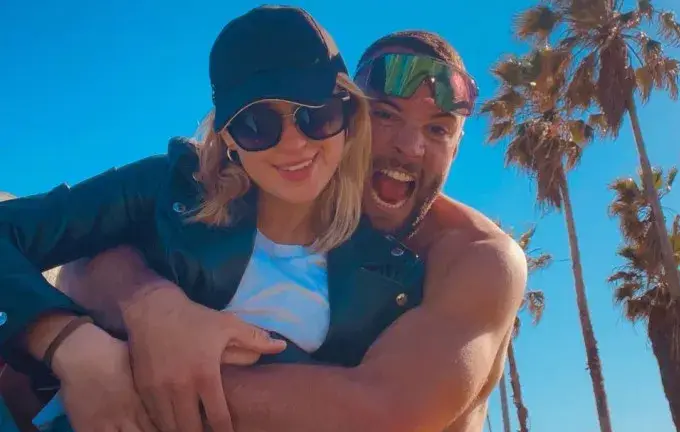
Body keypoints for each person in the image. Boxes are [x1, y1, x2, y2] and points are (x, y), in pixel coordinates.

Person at [47, 31, 529, 431]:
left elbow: (386, 415)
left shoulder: (477, 257)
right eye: (385, 114)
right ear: (349, 119)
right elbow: (85, 262)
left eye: (438, 129)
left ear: (457, 147)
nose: (410, 146)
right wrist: (148, 304)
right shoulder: (278, 182)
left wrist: (139, 371)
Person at [0, 5, 429, 432]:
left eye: (315, 114)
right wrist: (68, 342)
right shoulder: (167, 189)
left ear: (350, 117)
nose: (294, 143)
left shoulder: (389, 279)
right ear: (228, 138)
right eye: (257, 124)